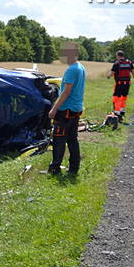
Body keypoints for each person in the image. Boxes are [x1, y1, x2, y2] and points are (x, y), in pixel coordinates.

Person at [47, 42, 86, 175]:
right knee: (72, 139)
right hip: (76, 109)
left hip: (66, 110)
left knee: (59, 139)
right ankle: (74, 168)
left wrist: (54, 109)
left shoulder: (72, 70)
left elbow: (66, 92)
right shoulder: (81, 67)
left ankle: (55, 168)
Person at [106, 50, 134, 119]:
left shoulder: (117, 64)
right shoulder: (129, 63)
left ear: (118, 56)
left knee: (117, 98)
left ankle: (117, 113)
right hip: (127, 84)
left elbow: (111, 74)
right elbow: (133, 73)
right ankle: (122, 111)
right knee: (124, 97)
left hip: (119, 84)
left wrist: (108, 76)